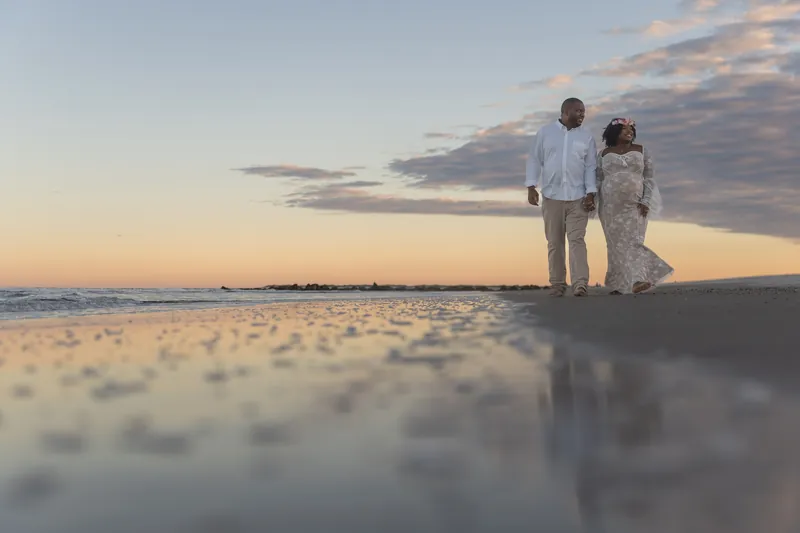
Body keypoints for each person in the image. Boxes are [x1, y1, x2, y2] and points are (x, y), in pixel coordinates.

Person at [525, 97, 597, 297]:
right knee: (554, 242)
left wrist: (591, 193)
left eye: (584, 111)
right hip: (551, 196)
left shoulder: (586, 137)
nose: (583, 114)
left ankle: (580, 283)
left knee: (577, 240)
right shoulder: (545, 133)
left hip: (578, 197)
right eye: (578, 111)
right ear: (566, 112)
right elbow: (534, 160)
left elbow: (590, 166)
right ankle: (557, 284)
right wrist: (531, 185)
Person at [595, 118, 673, 294]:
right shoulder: (603, 153)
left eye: (631, 129)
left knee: (633, 241)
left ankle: (638, 279)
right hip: (609, 206)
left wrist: (646, 200)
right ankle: (618, 285)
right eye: (624, 129)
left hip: (635, 204)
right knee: (614, 244)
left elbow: (649, 178)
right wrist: (591, 197)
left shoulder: (641, 150)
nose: (629, 132)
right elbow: (598, 178)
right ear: (615, 132)